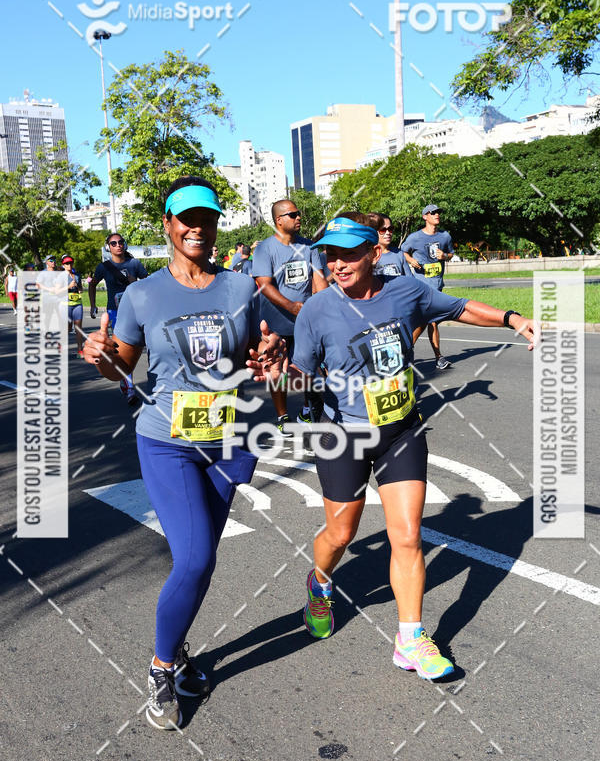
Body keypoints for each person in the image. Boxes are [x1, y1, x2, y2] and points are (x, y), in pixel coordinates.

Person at [251, 214, 535, 681]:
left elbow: (459, 306)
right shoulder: (317, 310)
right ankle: (320, 582)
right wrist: (279, 368)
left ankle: (410, 639)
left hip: (401, 430)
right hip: (342, 434)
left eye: (348, 253)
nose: (338, 263)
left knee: (406, 535)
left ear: (373, 254)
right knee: (341, 535)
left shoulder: (406, 292)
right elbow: (302, 376)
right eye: (331, 254)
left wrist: (513, 319)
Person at [83, 175, 283, 730]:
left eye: (207, 218)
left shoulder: (240, 288)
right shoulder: (142, 294)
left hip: (227, 438)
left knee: (199, 560)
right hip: (166, 441)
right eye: (185, 219)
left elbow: (249, 358)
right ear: (168, 225)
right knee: (194, 558)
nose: (197, 227)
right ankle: (161, 667)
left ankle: (177, 647)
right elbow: (123, 364)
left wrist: (268, 354)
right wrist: (102, 358)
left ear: (217, 224)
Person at [253, 199, 328, 433]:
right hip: (276, 321)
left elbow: (319, 280)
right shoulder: (265, 248)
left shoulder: (309, 247)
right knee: (278, 370)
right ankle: (282, 416)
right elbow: (263, 284)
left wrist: (324, 307)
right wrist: (291, 306)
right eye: (293, 215)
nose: (298, 218)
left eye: (298, 214)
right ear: (279, 220)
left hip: (305, 320)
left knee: (310, 366)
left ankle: (307, 410)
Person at [88, 233, 148, 405]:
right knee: (121, 349)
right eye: (113, 243)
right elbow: (92, 284)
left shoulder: (134, 264)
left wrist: (133, 282)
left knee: (150, 345)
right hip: (116, 312)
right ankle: (129, 388)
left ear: (125, 244)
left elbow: (149, 284)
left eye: (121, 242)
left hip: (138, 310)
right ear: (108, 247)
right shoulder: (104, 267)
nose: (118, 245)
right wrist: (93, 305)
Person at [401, 204, 454, 370]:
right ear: (425, 217)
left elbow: (451, 254)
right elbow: (402, 252)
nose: (437, 215)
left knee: (429, 322)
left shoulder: (445, 236)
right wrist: (411, 261)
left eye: (438, 212)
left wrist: (445, 256)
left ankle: (404, 352)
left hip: (437, 286)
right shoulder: (415, 237)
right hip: (420, 288)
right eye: (433, 213)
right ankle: (437, 357)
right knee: (429, 321)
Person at [372, 214, 412, 278]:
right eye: (383, 230)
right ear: (374, 232)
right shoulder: (369, 257)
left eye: (390, 229)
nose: (388, 233)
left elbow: (410, 280)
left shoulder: (399, 253)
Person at [60, 255, 84, 357]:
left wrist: (78, 288)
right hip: (66, 305)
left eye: (70, 263)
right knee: (68, 329)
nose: (69, 265)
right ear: (63, 265)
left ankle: (80, 350)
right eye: (66, 263)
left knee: (78, 328)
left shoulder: (77, 275)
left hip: (77, 304)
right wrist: (68, 287)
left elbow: (81, 289)